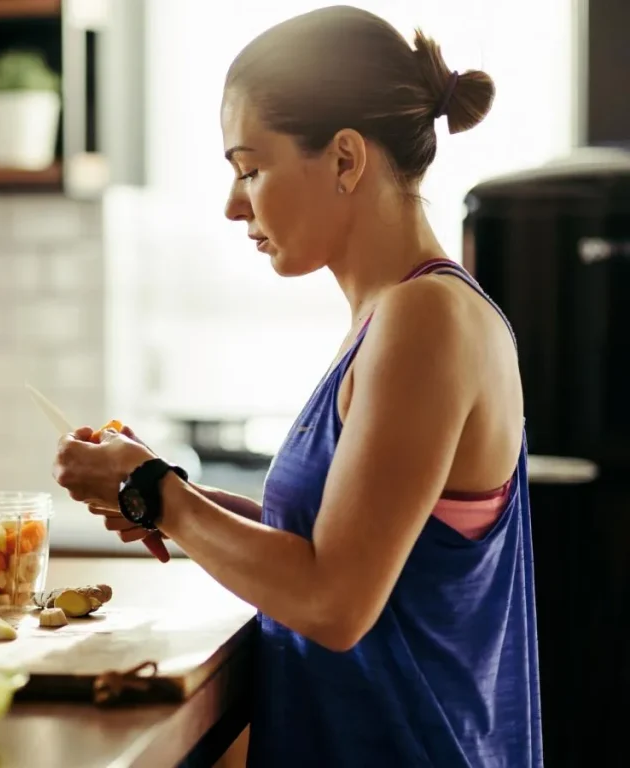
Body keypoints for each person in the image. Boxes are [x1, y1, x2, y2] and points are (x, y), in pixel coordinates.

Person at [51, 5, 542, 767]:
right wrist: (162, 492)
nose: (233, 202)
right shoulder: (392, 318)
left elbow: (334, 602)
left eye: (250, 167)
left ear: (346, 159)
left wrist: (158, 495)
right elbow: (340, 542)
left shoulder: (426, 320)